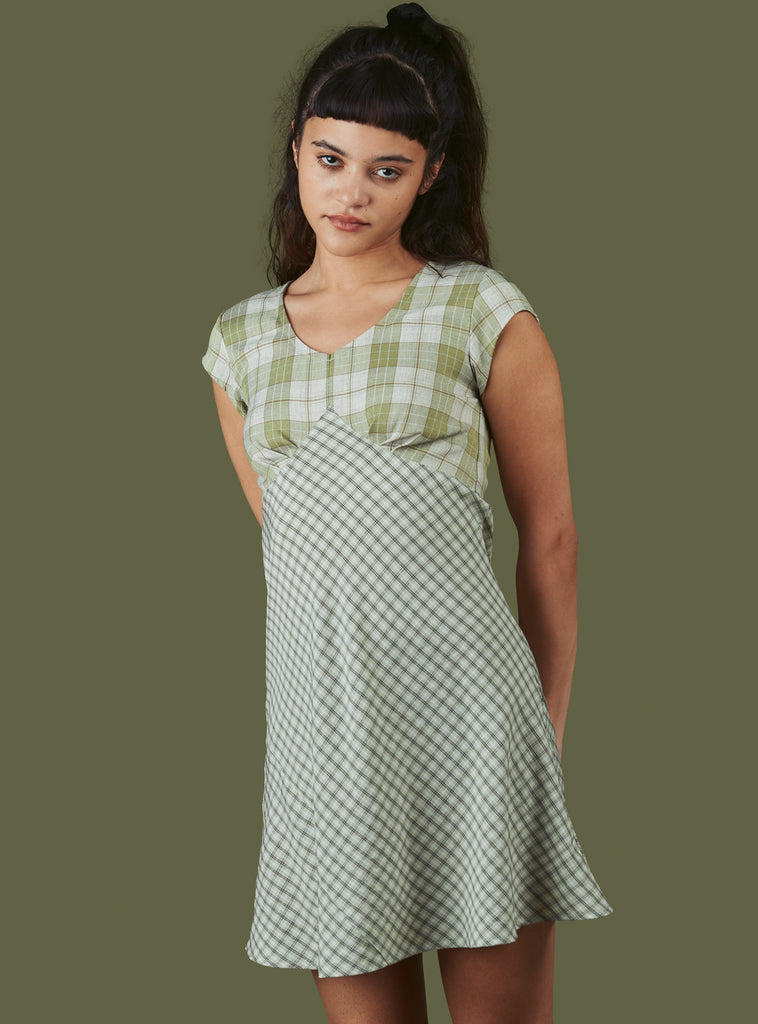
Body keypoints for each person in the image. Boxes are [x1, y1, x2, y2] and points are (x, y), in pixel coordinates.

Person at [201, 4, 613, 1022]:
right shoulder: (238, 343)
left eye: (386, 169)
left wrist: (541, 737)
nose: (351, 191)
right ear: (296, 148)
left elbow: (551, 542)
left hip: (476, 725)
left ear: (429, 174)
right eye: (331, 159)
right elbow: (291, 545)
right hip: (325, 738)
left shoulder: (480, 310)